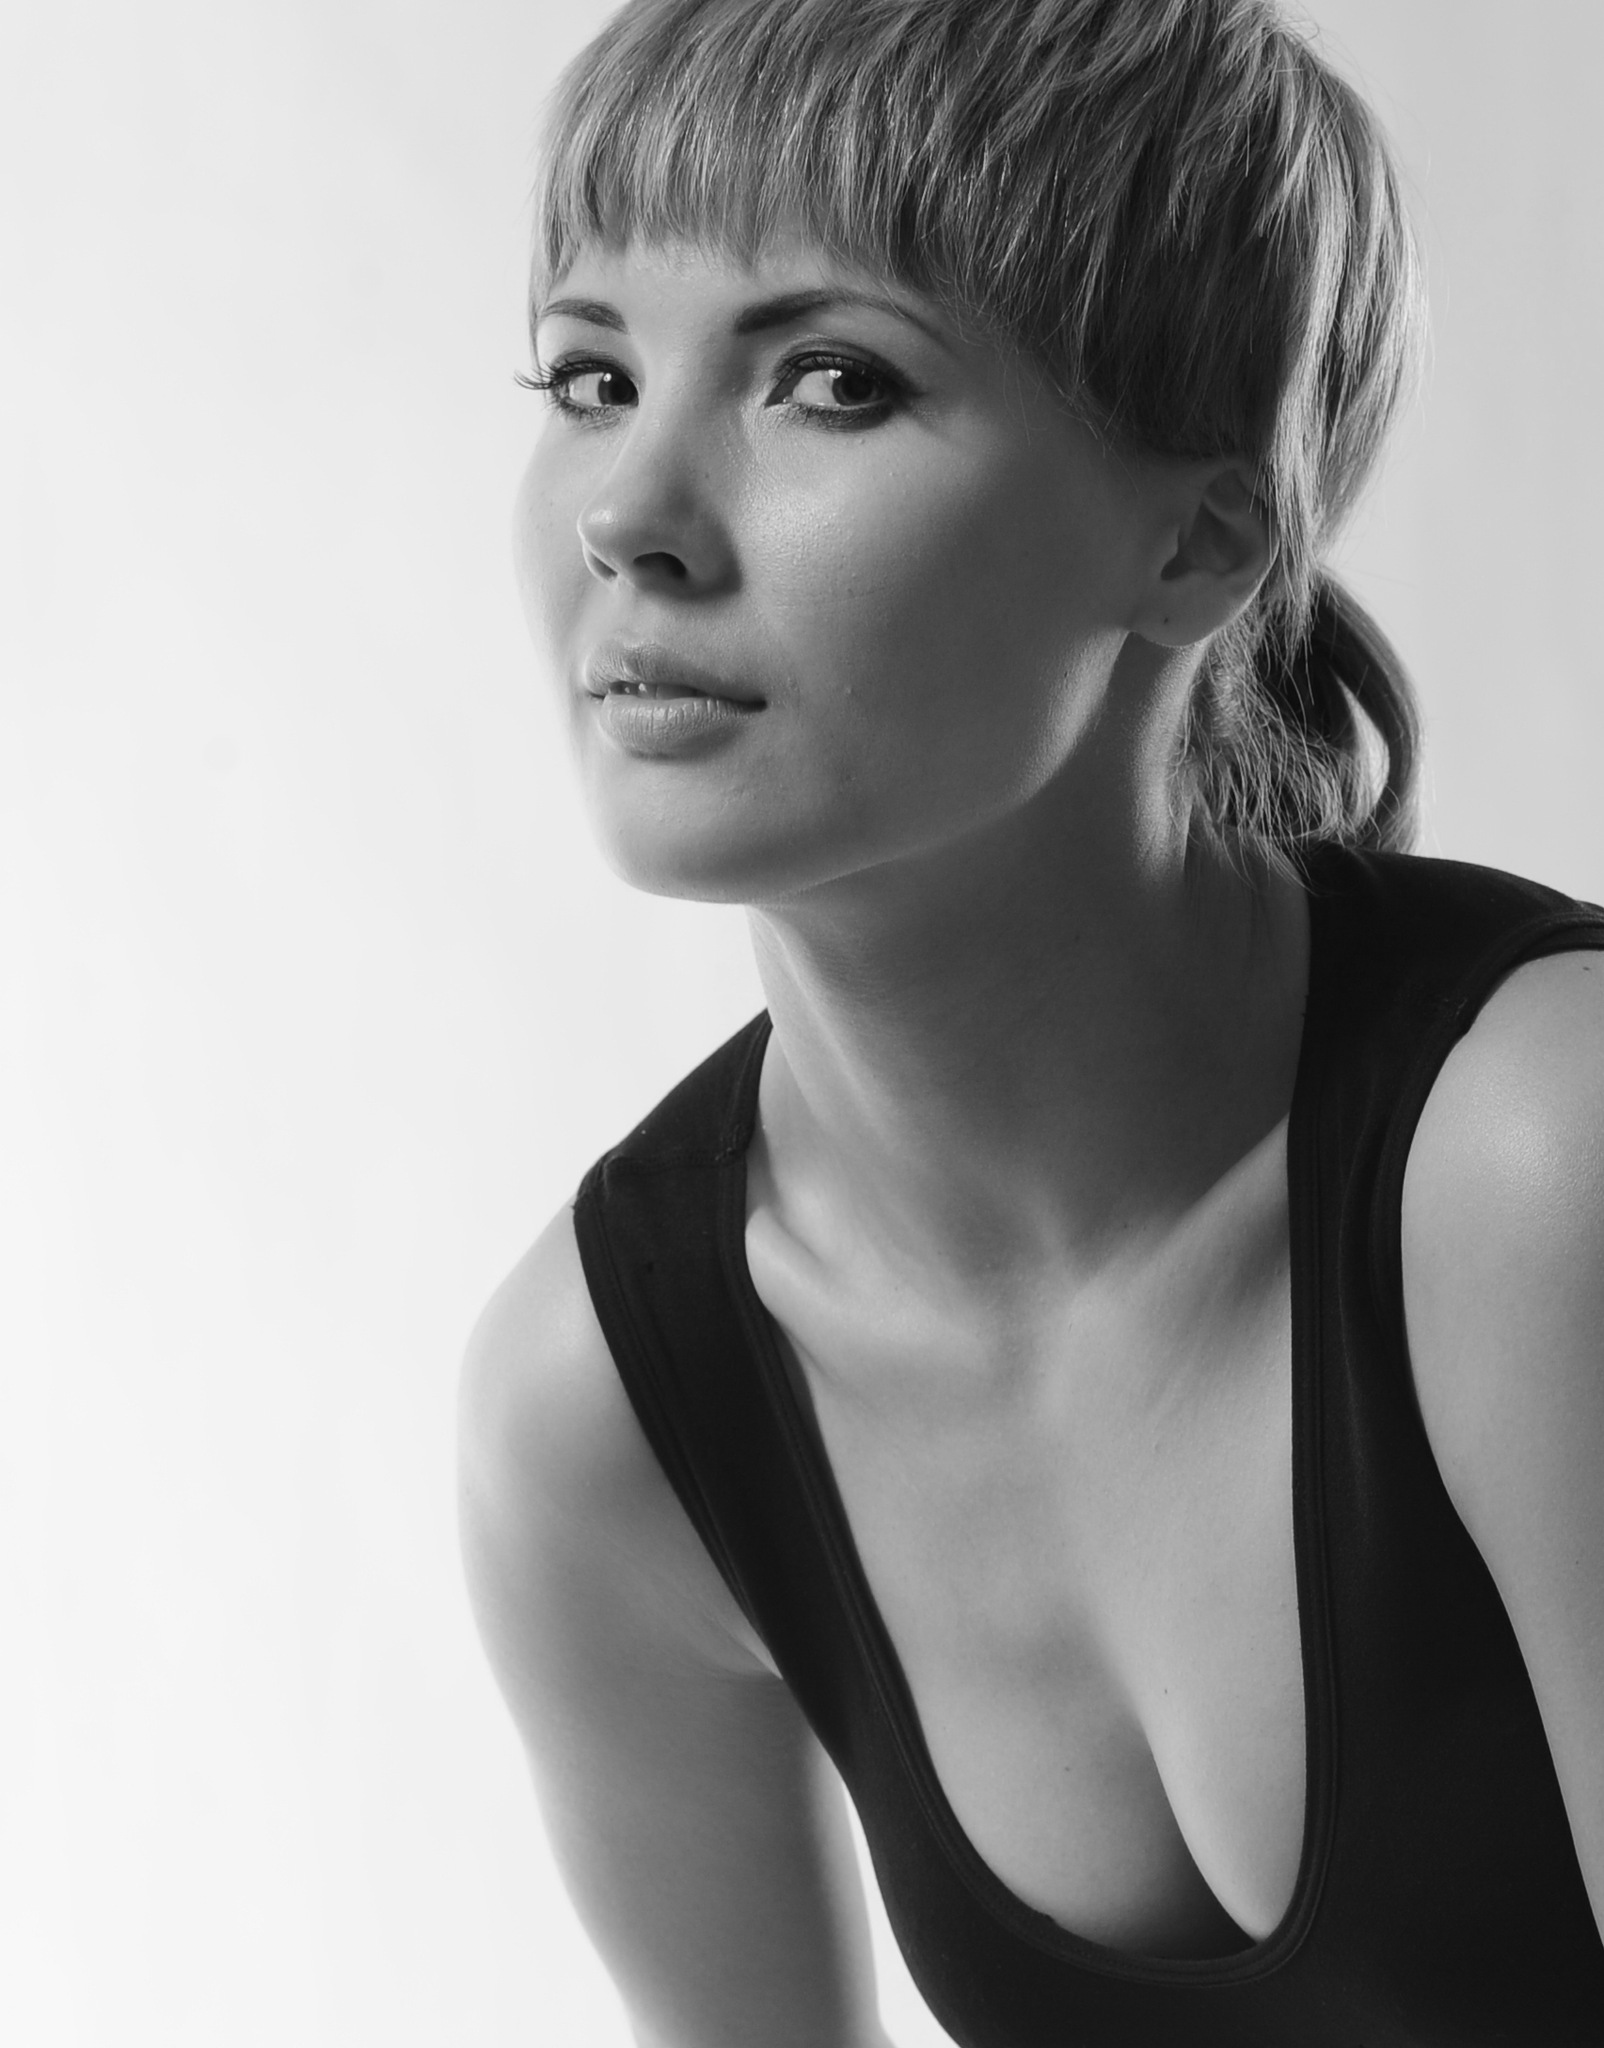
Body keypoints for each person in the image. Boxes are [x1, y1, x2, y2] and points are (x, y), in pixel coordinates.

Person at [458, 1, 1604, 2041]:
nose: (629, 508)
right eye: (589, 374)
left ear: (1200, 540)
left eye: (832, 379)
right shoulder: (609, 1407)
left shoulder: (1540, 1169)